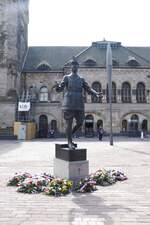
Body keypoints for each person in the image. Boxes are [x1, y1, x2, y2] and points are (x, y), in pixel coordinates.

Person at [54, 57, 103, 149]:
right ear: (71, 67)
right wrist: (57, 86)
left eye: (76, 65)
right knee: (69, 122)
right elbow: (60, 88)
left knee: (80, 122)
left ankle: (69, 134)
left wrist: (96, 94)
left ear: (78, 67)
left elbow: (88, 88)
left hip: (79, 103)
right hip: (69, 102)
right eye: (73, 65)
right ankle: (69, 141)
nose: (74, 67)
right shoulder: (66, 77)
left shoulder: (81, 79)